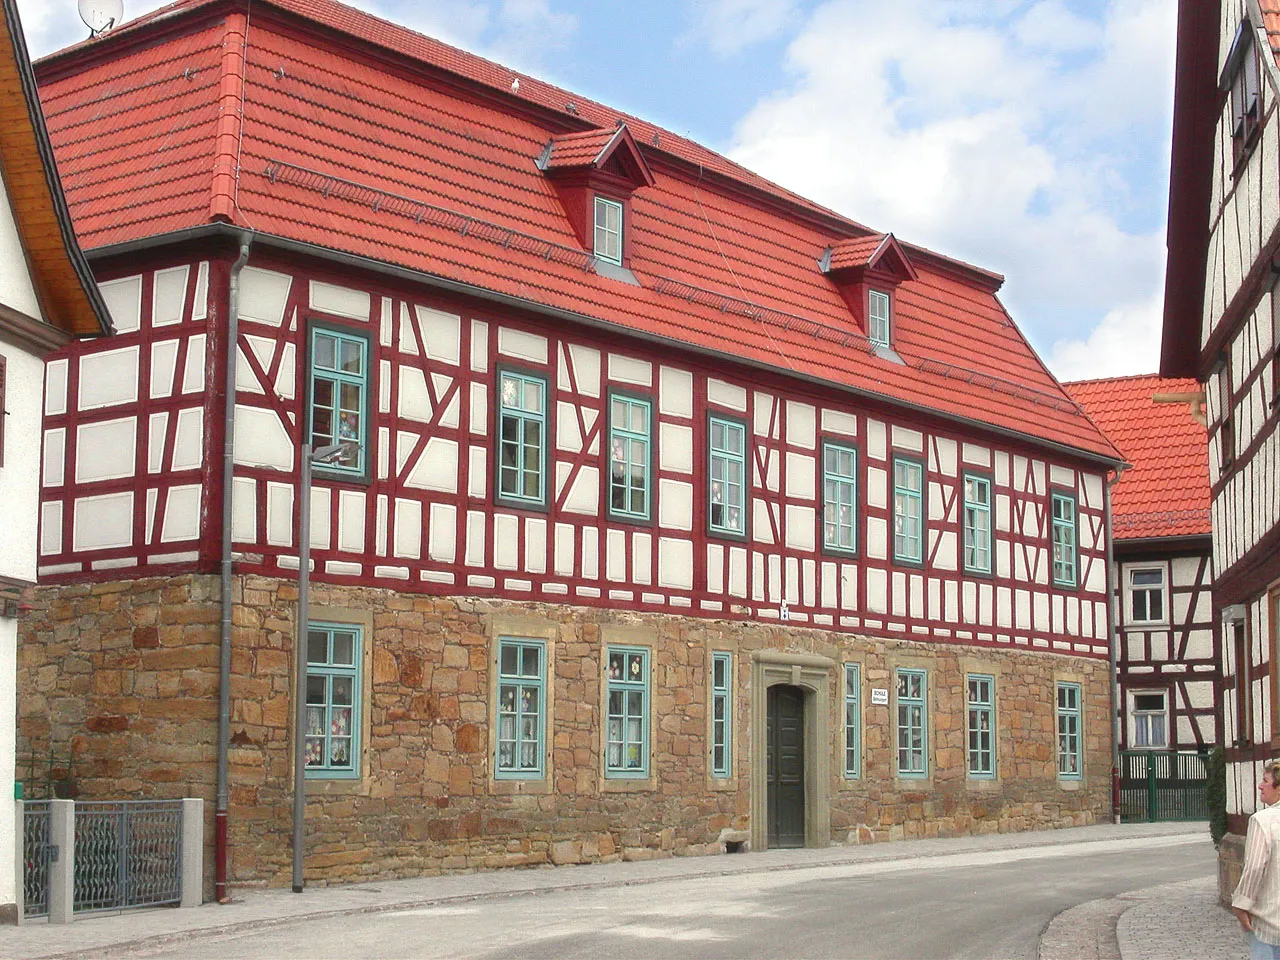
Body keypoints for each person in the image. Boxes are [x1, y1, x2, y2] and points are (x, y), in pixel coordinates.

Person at [1233, 758, 1280, 959]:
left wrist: (1241, 905)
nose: (1260, 786)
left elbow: (1254, 867)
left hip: (1269, 923)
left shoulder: (1263, 820)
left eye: (1265, 781)